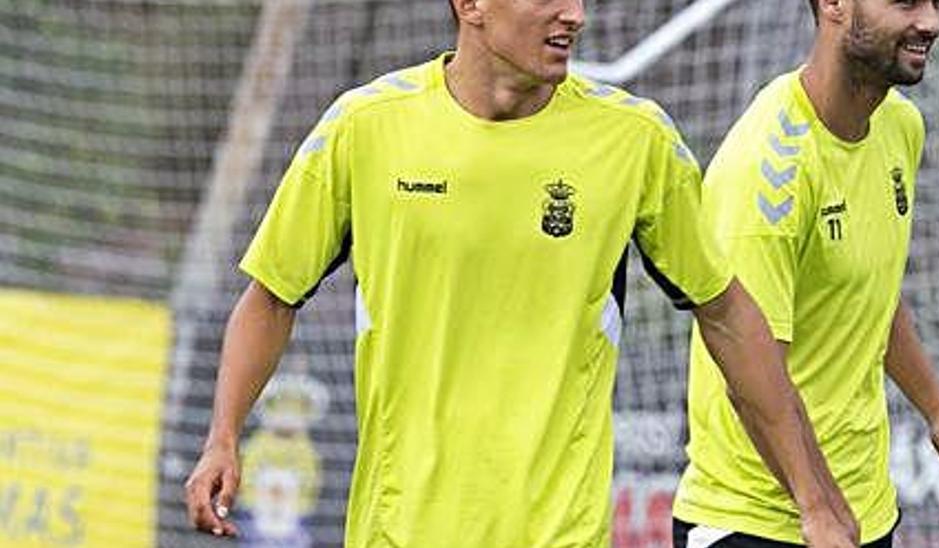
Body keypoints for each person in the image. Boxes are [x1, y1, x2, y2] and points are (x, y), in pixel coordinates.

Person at [184, 0, 861, 546]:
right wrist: (223, 437)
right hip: (401, 530)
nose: (575, 15)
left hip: (560, 532)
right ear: (470, 5)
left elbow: (727, 312)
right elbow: (272, 297)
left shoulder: (636, 141)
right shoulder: (365, 128)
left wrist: (813, 498)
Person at [672, 0, 939, 546]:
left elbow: (869, 290)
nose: (932, 23)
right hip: (754, 522)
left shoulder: (900, 126)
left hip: (862, 513)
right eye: (906, 2)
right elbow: (748, 372)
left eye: (937, 2)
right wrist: (816, 507)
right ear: (834, 5)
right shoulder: (767, 171)